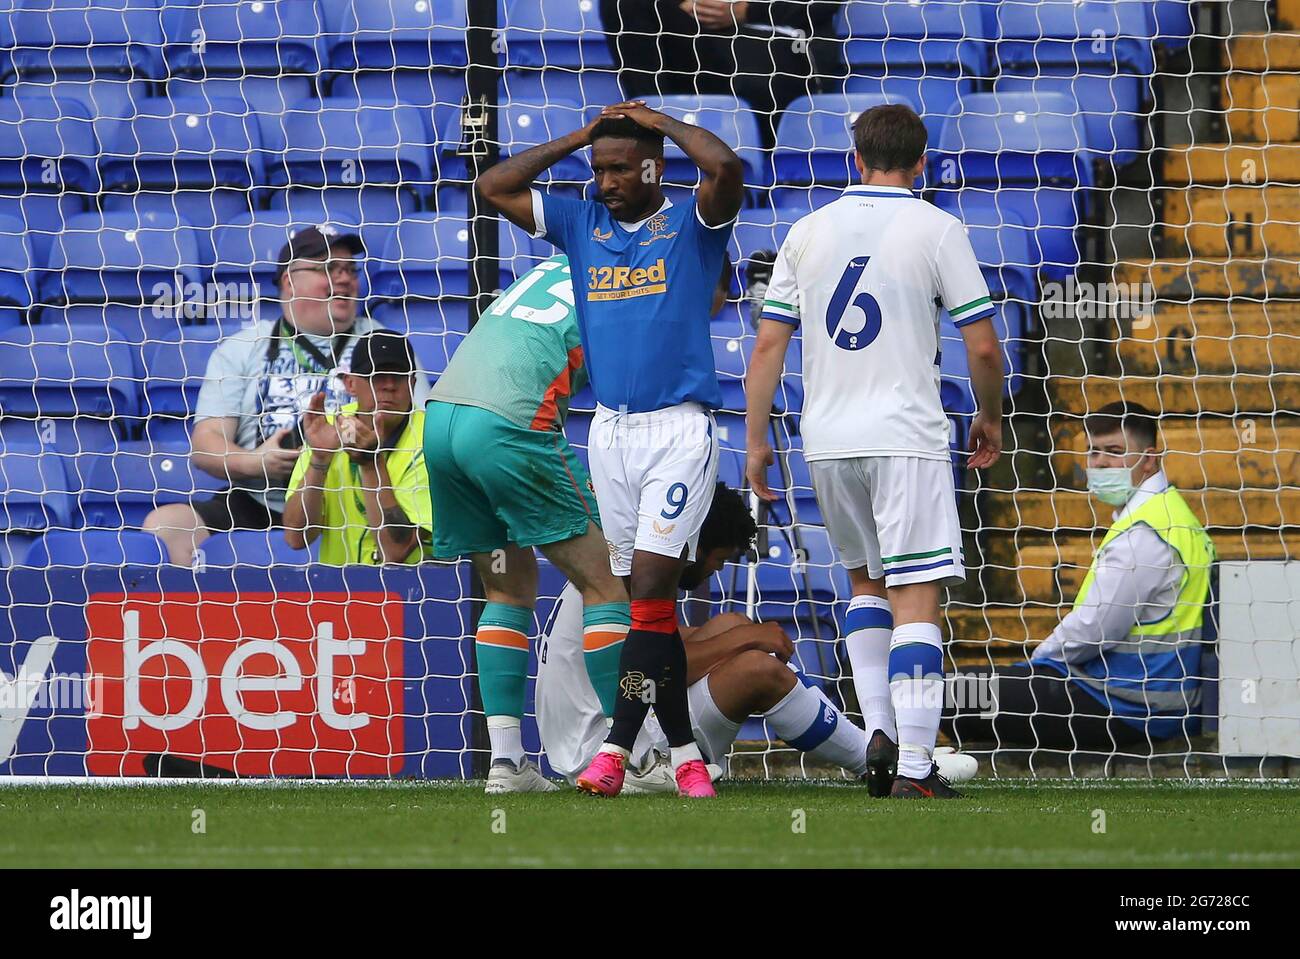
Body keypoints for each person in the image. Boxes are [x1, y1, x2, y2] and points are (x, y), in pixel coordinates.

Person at [478, 101, 744, 798]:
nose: (605, 181)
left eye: (620, 168)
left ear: (655, 166)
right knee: (640, 604)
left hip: (678, 430)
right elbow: (494, 187)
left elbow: (725, 166)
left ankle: (618, 748)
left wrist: (657, 121)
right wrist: (581, 138)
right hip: (609, 431)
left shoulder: (692, 223)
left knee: (653, 586)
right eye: (598, 170)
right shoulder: (581, 221)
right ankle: (683, 752)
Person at [744, 103, 1005, 799]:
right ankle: (917, 764)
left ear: (853, 159)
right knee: (917, 593)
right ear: (922, 162)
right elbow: (981, 342)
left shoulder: (807, 231)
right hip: (905, 436)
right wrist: (989, 415)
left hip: (828, 441)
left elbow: (768, 344)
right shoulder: (937, 227)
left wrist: (754, 442)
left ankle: (877, 734)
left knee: (865, 583)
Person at [539, 482, 979, 793]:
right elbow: (648, 672)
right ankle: (878, 760)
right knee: (756, 669)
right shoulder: (635, 573)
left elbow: (658, 650)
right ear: (697, 542)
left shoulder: (637, 561)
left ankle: (880, 754)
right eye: (718, 559)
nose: (715, 571)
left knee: (732, 627)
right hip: (604, 744)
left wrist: (741, 634)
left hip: (597, 727)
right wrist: (746, 643)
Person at [422, 255, 630, 795]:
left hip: (443, 422)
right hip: (510, 426)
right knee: (604, 582)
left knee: (506, 590)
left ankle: (507, 764)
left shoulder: (552, 265)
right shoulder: (628, 275)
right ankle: (633, 758)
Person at [143, 225, 428, 565]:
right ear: (289, 281)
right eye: (327, 268)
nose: (344, 278)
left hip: (347, 494)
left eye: (350, 270)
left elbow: (421, 429)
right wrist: (258, 462)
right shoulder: (243, 348)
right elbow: (206, 445)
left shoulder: (384, 348)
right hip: (259, 496)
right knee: (168, 526)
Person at [945, 402, 1215, 755]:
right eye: (1093, 452)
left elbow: (1093, 631)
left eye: (1115, 452)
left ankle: (921, 766)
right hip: (1151, 698)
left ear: (1149, 459)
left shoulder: (1144, 535)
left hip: (1122, 704)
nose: (1100, 463)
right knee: (969, 688)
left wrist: (1035, 665)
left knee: (945, 692)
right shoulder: (1171, 516)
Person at [599, 0, 847, 149]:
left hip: (784, 45)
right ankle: (650, 123)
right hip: (711, 42)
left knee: (753, 77)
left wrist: (746, 10)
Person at [282, 330, 433, 566]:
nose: (390, 385)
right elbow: (296, 537)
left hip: (411, 591)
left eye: (399, 376)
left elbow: (394, 551)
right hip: (339, 592)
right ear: (351, 384)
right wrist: (319, 459)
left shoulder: (432, 438)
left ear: (412, 384)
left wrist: (371, 464)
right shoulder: (329, 429)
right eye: (377, 375)